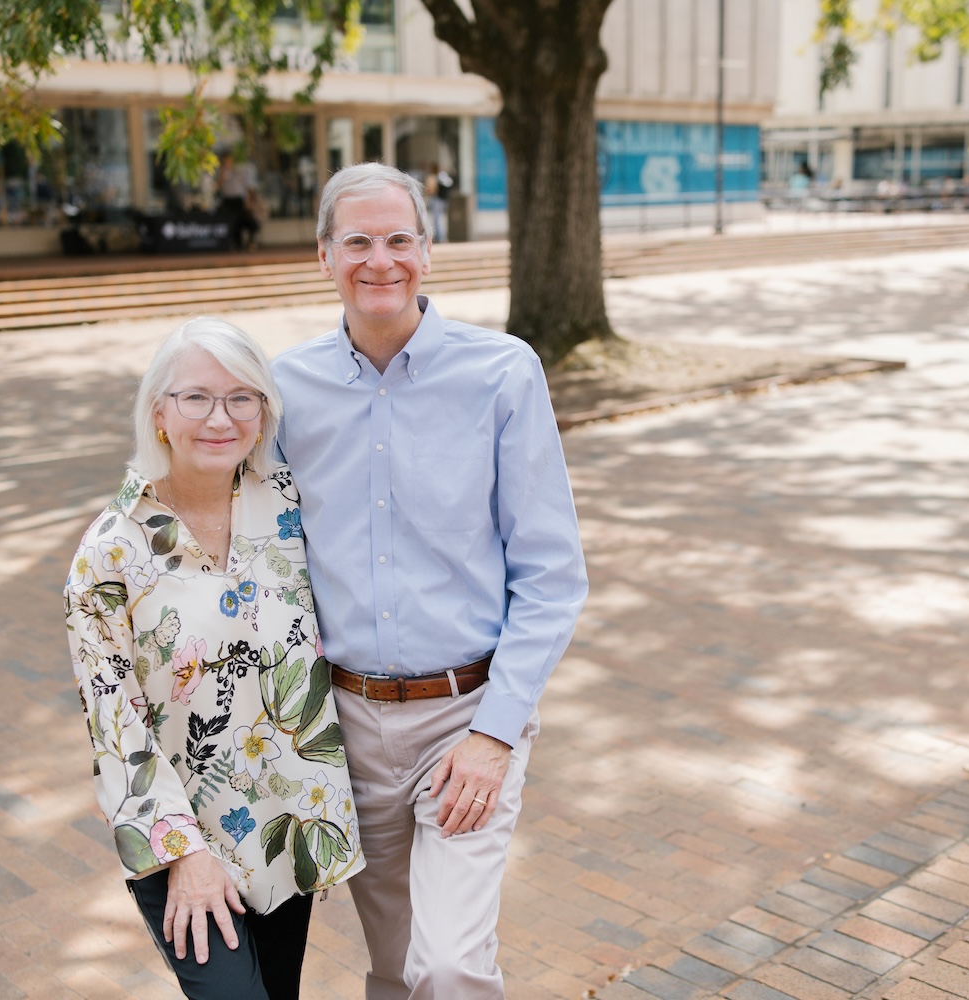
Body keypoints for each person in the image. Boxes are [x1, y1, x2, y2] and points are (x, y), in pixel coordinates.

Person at [271, 162, 588, 999]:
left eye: (400, 238)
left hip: (467, 718)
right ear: (325, 255)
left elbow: (552, 575)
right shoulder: (283, 389)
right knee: (393, 965)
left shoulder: (503, 373)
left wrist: (495, 733)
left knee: (448, 967)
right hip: (345, 726)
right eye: (359, 240)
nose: (382, 259)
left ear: (429, 250)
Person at [63, 317, 363, 1000]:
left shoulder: (287, 506)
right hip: (182, 843)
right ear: (160, 412)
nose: (220, 418)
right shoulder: (111, 554)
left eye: (242, 397)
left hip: (287, 819)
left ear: (263, 413)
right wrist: (186, 856)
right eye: (196, 397)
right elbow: (116, 731)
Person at [216, 152, 261, 250]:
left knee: (247, 221)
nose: (227, 163)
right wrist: (223, 175)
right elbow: (217, 186)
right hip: (228, 201)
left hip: (239, 201)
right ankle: (237, 244)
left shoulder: (239, 171)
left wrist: (249, 201)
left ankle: (251, 242)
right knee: (233, 223)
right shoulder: (221, 172)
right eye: (225, 161)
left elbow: (248, 188)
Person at [421, 162, 452, 243]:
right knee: (440, 218)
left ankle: (439, 237)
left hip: (436, 199)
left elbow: (430, 189)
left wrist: (428, 193)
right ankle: (442, 236)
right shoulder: (442, 176)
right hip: (443, 199)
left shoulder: (433, 177)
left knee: (436, 218)